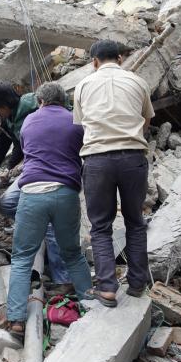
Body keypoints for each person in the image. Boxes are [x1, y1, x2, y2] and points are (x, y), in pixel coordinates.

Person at [5, 82, 92, 335]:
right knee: (73, 253)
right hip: (65, 193)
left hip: (32, 193)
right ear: (64, 101)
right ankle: (90, 305)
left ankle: (17, 320)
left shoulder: (29, 122)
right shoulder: (76, 121)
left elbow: (25, 149)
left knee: (22, 258)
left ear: (40, 101)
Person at [74, 40, 154, 307]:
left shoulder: (84, 85)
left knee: (100, 226)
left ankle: (107, 287)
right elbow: (146, 120)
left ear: (94, 61)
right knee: (135, 221)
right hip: (132, 157)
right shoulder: (137, 81)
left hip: (97, 160)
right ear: (120, 58)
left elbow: (81, 124)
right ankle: (137, 282)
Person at [0, 82, 71, 286]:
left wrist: (17, 168)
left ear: (5, 104)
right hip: (33, 170)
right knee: (6, 203)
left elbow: (39, 148)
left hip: (52, 169)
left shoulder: (32, 114)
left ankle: (63, 279)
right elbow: (6, 146)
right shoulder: (10, 119)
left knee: (50, 225)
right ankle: (38, 225)